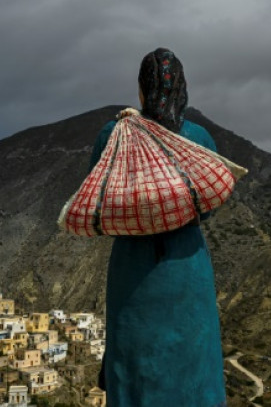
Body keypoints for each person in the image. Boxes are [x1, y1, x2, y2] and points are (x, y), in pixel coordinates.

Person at [91, 48, 227, 406]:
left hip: (133, 268)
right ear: (183, 89)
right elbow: (208, 207)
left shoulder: (114, 134)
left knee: (134, 358)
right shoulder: (198, 137)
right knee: (192, 359)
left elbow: (99, 197)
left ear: (141, 90)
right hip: (186, 265)